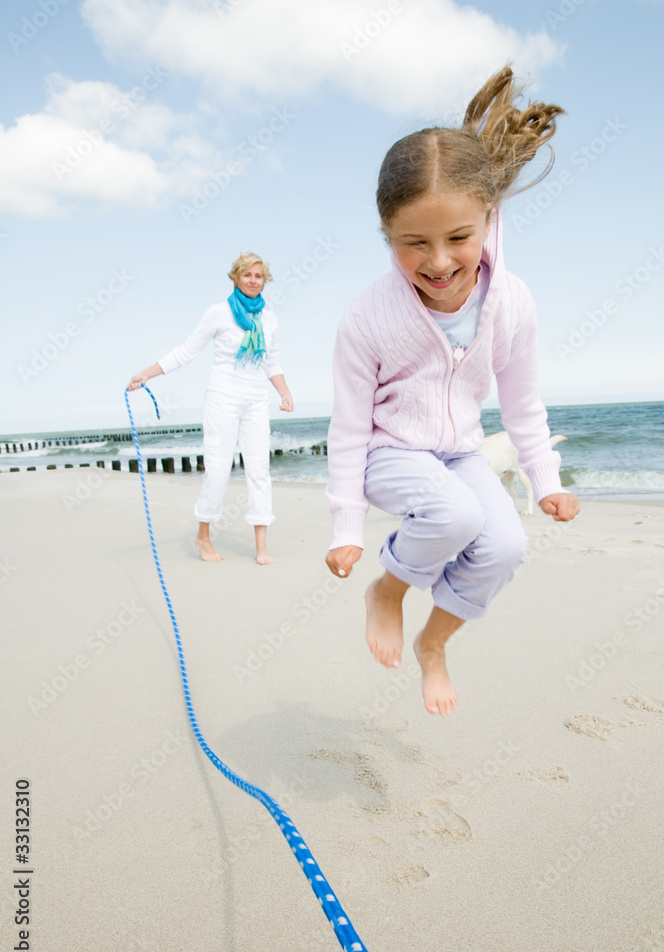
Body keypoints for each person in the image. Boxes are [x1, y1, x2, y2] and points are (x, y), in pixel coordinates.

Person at [324, 66, 580, 716]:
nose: (439, 262)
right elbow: (350, 428)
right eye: (415, 244)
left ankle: (433, 645)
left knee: (506, 545)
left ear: (487, 221)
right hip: (391, 451)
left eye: (458, 238)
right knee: (456, 516)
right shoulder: (368, 314)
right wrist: (346, 524)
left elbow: (521, 401)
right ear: (387, 237)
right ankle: (387, 591)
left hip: (460, 452)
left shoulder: (512, 302)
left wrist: (545, 480)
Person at [128, 252, 293, 564]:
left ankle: (260, 547)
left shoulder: (269, 319)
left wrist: (284, 393)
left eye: (259, 276)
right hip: (223, 397)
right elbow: (186, 352)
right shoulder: (219, 313)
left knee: (260, 471)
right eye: (247, 275)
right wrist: (146, 373)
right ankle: (203, 535)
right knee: (218, 469)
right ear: (235, 277)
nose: (253, 281)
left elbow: (273, 362)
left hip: (257, 400)